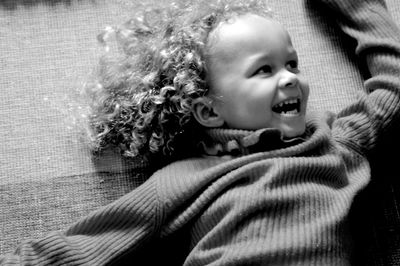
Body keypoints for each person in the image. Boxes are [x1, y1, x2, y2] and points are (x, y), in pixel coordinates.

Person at [2, 0, 400, 265]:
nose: (290, 79)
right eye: (265, 70)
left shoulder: (334, 140)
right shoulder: (187, 177)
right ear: (209, 110)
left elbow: (393, 87)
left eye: (292, 64)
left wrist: (357, 6)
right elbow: (91, 242)